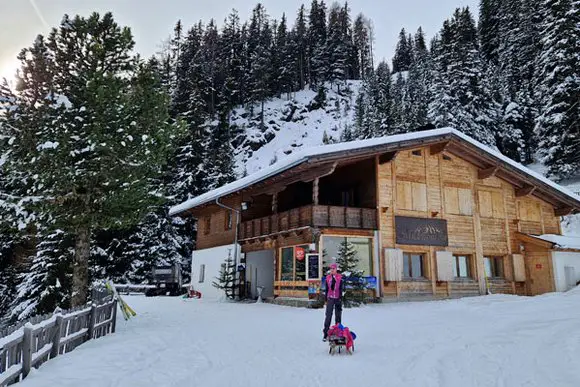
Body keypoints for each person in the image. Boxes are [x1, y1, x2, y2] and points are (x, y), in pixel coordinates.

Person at [322, 262, 344, 341]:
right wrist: (325, 299)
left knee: (338, 316)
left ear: (336, 269)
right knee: (328, 316)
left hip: (337, 298)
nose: (332, 270)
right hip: (330, 298)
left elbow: (341, 288)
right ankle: (325, 334)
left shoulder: (339, 277)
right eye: (331, 269)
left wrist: (340, 298)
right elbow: (327, 289)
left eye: (333, 269)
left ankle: (338, 332)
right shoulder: (328, 278)